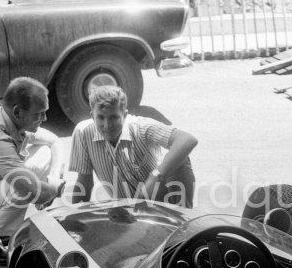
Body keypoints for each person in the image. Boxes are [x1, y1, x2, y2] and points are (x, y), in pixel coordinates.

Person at [0, 77, 66, 265]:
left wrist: (54, 178)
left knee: (43, 154)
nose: (45, 119)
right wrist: (54, 190)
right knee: (20, 184)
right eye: (39, 114)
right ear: (17, 111)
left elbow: (55, 141)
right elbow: (34, 191)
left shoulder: (10, 121)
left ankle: (1, 230)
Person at [69, 85, 198, 208]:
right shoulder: (83, 132)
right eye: (100, 118)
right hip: (125, 210)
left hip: (159, 202)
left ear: (125, 115)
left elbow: (187, 139)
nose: (107, 125)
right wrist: (74, 218)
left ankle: (182, 218)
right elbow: (84, 181)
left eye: (114, 117)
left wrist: (156, 176)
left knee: (181, 159)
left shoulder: (141, 127)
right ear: (92, 116)